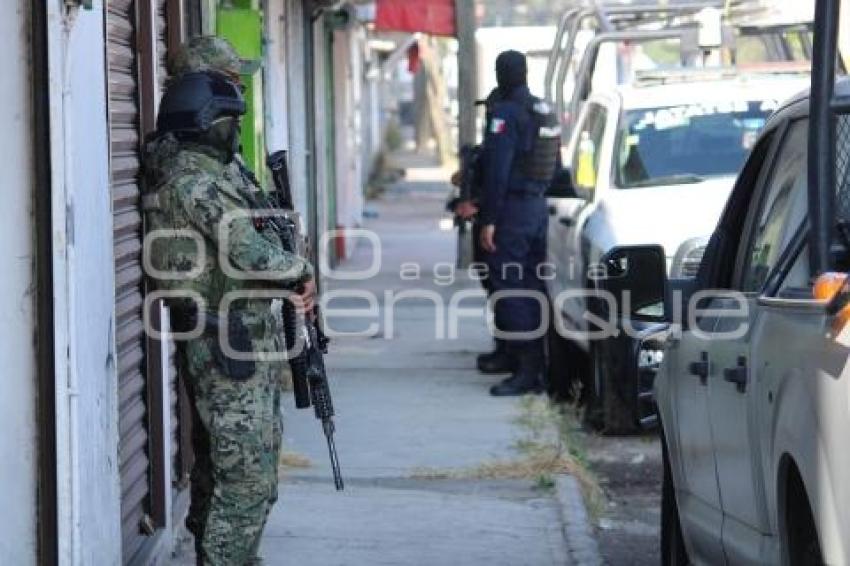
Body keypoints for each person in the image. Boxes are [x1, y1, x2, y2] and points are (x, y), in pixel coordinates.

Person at [143, 37, 314, 565]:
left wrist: (292, 274)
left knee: (230, 470)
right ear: (203, 92)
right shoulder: (192, 176)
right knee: (247, 479)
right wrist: (298, 270)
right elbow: (245, 247)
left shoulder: (217, 164)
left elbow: (262, 229)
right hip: (225, 341)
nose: (238, 99)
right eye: (230, 87)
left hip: (242, 334)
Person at [478, 50, 560, 397]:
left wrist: (489, 219)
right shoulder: (542, 110)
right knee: (529, 284)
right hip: (536, 208)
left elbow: (497, 171)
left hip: (511, 210)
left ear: (501, 74)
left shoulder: (507, 114)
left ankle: (528, 371)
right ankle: (522, 358)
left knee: (512, 288)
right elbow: (554, 166)